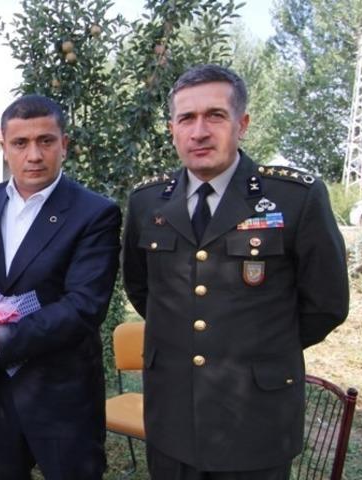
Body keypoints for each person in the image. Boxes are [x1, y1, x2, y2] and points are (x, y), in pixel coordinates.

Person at [122, 64, 349, 479]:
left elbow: (326, 303)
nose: (199, 131)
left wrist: (257, 346)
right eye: (186, 118)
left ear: (241, 124)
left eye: (215, 116)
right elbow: (143, 290)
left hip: (255, 418)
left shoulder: (294, 198)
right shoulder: (147, 202)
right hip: (172, 414)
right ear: (172, 128)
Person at [0, 94, 121, 479]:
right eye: (20, 143)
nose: (33, 155)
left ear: (64, 145)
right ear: (4, 147)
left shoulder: (95, 212)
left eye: (46, 141)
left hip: (62, 397)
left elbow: (83, 306)